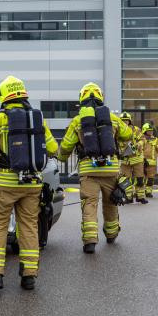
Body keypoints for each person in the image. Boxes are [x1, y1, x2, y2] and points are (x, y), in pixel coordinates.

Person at [0, 75, 58, 292]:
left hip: (5, 185)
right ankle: (29, 276)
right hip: (33, 184)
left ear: (3, 96)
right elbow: (53, 149)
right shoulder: (37, 118)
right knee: (28, 226)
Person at [58, 83, 132, 253]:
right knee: (110, 203)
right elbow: (128, 134)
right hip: (110, 169)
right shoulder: (112, 118)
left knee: (89, 204)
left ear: (82, 98)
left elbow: (66, 146)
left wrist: (60, 157)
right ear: (100, 97)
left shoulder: (78, 120)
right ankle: (111, 234)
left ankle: (90, 241)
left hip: (88, 170)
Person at [119, 112, 147, 204]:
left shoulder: (136, 130)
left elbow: (143, 139)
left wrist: (139, 144)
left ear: (129, 121)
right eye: (123, 121)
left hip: (137, 159)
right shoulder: (117, 131)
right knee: (126, 180)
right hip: (125, 160)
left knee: (139, 179)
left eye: (126, 120)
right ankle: (128, 197)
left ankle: (140, 197)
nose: (125, 122)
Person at [141, 123, 158, 198]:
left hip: (152, 164)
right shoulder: (140, 140)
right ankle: (139, 193)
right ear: (144, 131)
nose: (151, 132)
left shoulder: (155, 140)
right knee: (140, 178)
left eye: (151, 131)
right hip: (141, 162)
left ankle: (148, 192)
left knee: (150, 179)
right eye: (149, 131)